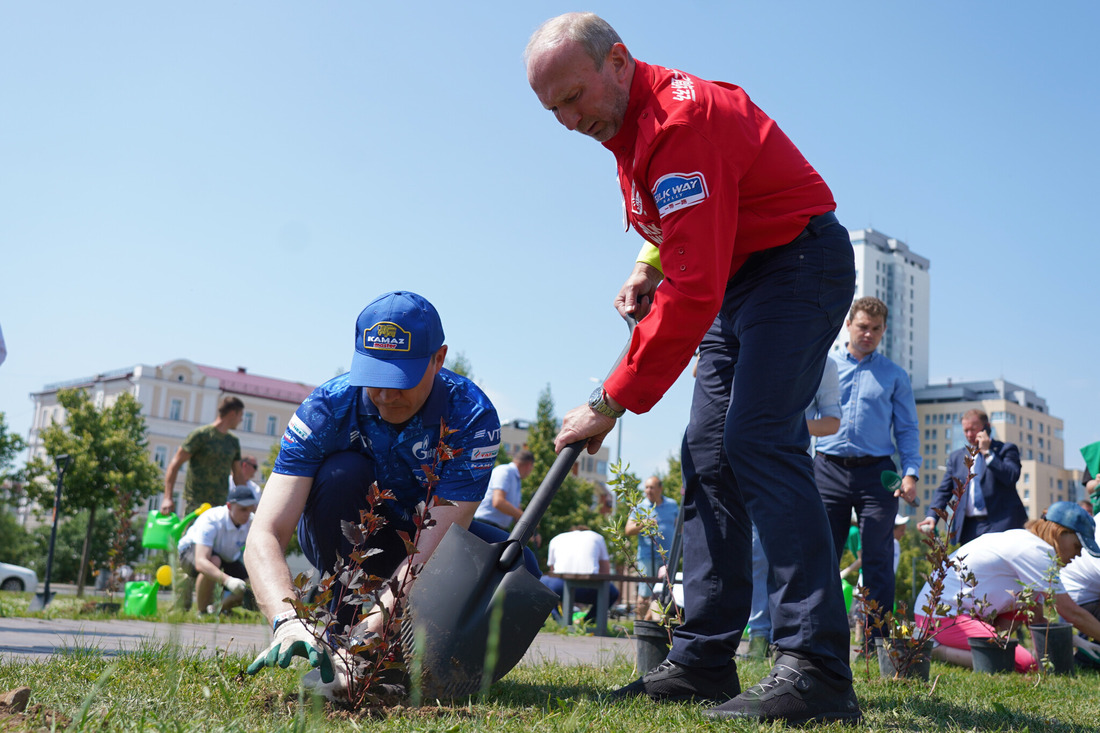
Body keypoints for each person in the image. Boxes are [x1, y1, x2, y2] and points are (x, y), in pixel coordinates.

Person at [526, 12, 860, 724]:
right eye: (551, 107)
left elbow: (696, 286)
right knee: (707, 450)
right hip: (740, 276)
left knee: (758, 437)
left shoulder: (680, 122)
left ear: (617, 61)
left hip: (797, 264)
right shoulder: (626, 120)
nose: (564, 119)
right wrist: (647, 261)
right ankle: (706, 658)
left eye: (572, 97)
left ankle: (818, 666)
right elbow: (686, 223)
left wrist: (610, 401)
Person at [243, 291, 537, 696]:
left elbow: (431, 548)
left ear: (439, 358)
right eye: (374, 379)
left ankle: (397, 655)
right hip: (345, 530)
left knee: (516, 566)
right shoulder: (326, 407)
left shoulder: (471, 415)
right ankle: (338, 618)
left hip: (425, 542)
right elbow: (264, 533)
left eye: (400, 381)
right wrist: (285, 618)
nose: (385, 395)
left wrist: (366, 639)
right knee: (343, 472)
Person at [815, 296, 920, 649]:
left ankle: (878, 645)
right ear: (848, 325)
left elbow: (907, 429)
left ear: (884, 331)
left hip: (878, 475)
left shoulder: (894, 375)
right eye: (862, 326)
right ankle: (818, 639)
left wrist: (911, 473)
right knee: (821, 553)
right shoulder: (824, 365)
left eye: (876, 329)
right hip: (827, 468)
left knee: (878, 557)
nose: (868, 334)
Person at [913, 502, 1100, 672]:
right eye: (1077, 546)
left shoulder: (1027, 542)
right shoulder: (1037, 552)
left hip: (960, 613)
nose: (1078, 555)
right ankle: (934, 649)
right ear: (1059, 534)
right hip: (940, 616)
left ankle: (992, 645)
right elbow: (1070, 612)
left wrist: (1075, 640)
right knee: (1020, 663)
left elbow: (1037, 621)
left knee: (1027, 598)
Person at [747, 360, 840, 657]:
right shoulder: (754, 344)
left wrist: (786, 422)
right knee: (755, 554)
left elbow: (832, 421)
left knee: (786, 555)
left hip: (791, 465)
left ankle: (782, 638)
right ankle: (758, 635)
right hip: (746, 459)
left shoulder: (824, 364)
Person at [917, 410, 1024, 544]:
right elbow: (944, 491)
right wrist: (932, 517)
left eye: (973, 429)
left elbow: (1011, 476)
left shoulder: (1005, 450)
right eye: (965, 430)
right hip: (968, 529)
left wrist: (987, 452)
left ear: (987, 427)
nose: (969, 435)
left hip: (1001, 525)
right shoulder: (956, 458)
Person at [175, 484, 258, 613]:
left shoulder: (251, 522)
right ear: (229, 506)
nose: (248, 514)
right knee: (213, 561)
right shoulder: (212, 519)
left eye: (250, 509)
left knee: (251, 585)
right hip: (191, 552)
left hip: (224, 557)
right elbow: (201, 562)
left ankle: (216, 610)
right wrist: (228, 581)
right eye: (243, 509)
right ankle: (202, 612)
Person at [161, 395, 245, 515]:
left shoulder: (233, 441)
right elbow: (175, 464)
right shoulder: (201, 435)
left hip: (219, 507)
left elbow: (238, 474)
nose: (241, 420)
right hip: (196, 505)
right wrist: (167, 498)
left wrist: (248, 501)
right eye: (240, 415)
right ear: (233, 413)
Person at [540, 525, 620, 624]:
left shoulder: (557, 538)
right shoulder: (597, 537)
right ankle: (588, 621)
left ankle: (558, 619)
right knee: (612, 592)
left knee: (541, 583)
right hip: (589, 588)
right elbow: (605, 572)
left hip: (560, 586)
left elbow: (552, 571)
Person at [625, 475, 679, 620]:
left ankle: (658, 627)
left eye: (652, 487)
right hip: (647, 558)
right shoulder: (640, 507)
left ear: (660, 489)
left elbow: (680, 527)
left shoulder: (672, 505)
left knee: (665, 593)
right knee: (645, 594)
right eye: (646, 487)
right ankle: (641, 627)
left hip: (667, 557)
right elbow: (628, 530)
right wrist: (643, 523)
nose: (648, 491)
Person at [474, 450, 535, 532]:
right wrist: (526, 518)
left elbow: (516, 510)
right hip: (486, 524)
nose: (530, 472)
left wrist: (529, 532)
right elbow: (498, 502)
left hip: (494, 527)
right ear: (529, 465)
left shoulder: (516, 479)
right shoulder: (505, 471)